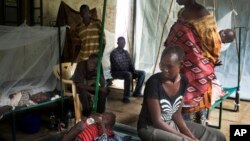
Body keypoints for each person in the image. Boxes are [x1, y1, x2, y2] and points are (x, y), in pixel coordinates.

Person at [137, 45, 226, 141]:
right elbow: (157, 121)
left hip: (170, 124)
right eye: (162, 65)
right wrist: (184, 137)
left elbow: (176, 115)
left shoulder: (183, 81)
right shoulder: (154, 82)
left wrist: (191, 136)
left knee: (217, 136)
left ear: (181, 65)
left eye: (169, 66)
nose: (164, 69)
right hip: (149, 128)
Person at [110, 36, 145, 103]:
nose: (123, 44)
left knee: (142, 73)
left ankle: (137, 92)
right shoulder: (114, 53)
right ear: (117, 43)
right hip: (117, 72)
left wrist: (133, 70)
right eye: (121, 42)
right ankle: (126, 97)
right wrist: (131, 72)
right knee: (128, 74)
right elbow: (118, 66)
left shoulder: (126, 52)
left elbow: (130, 63)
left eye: (124, 42)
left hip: (127, 71)